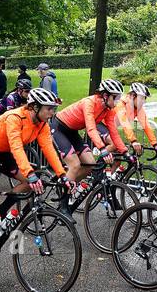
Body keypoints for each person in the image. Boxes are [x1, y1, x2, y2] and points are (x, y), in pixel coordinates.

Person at [0, 87, 70, 273]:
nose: (52, 113)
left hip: (3, 155)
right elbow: (17, 148)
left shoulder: (41, 124)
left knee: (27, 183)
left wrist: (62, 174)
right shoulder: (15, 118)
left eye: (53, 109)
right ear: (34, 107)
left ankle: (1, 210)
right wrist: (30, 173)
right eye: (48, 108)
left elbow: (48, 149)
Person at [52, 79, 130, 208]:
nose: (117, 101)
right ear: (105, 95)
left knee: (91, 164)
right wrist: (103, 149)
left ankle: (65, 184)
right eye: (115, 97)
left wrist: (124, 151)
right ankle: (63, 206)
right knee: (75, 165)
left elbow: (113, 132)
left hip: (72, 131)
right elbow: (91, 129)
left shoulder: (108, 109)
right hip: (59, 128)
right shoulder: (89, 103)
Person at [113, 82, 157, 154]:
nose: (143, 101)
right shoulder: (121, 104)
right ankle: (96, 162)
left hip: (112, 128)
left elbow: (146, 125)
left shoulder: (137, 108)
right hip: (102, 125)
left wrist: (155, 144)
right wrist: (133, 141)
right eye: (142, 98)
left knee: (119, 155)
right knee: (114, 146)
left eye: (144, 99)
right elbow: (125, 123)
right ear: (133, 96)